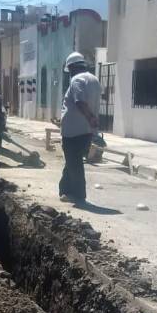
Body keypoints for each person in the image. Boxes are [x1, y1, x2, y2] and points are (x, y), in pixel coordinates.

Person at [58, 52, 101, 203]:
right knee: (72, 160)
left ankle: (78, 194)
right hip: (86, 131)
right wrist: (92, 122)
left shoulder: (77, 80)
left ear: (72, 68)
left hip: (73, 131)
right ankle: (65, 190)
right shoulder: (94, 79)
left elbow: (80, 102)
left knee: (74, 163)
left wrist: (90, 118)